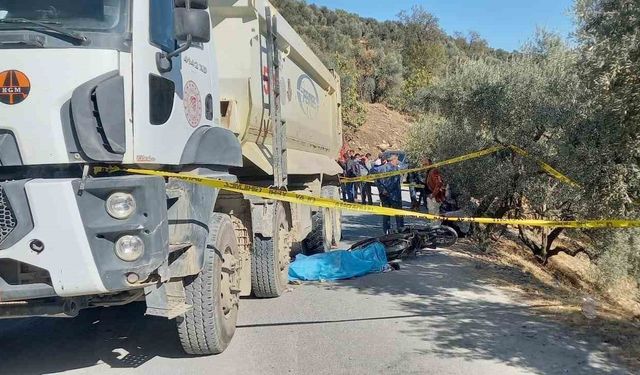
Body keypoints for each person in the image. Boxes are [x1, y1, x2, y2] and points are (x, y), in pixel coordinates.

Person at [372, 154, 404, 234]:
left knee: (386, 215)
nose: (397, 162)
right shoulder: (396, 169)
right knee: (399, 215)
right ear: (393, 160)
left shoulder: (380, 169)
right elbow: (396, 182)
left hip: (384, 196)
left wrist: (383, 190)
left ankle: (386, 232)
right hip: (395, 196)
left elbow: (376, 180)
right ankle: (400, 231)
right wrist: (388, 191)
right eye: (396, 160)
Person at [425, 158, 446, 224]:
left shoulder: (433, 171)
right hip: (431, 197)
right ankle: (434, 229)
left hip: (434, 198)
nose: (424, 165)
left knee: (435, 215)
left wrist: (433, 195)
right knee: (432, 215)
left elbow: (439, 183)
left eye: (425, 163)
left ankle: (436, 230)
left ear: (430, 163)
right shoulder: (429, 171)